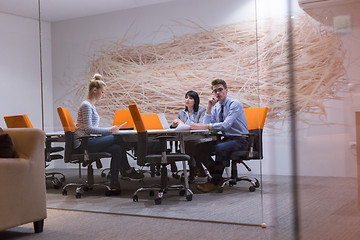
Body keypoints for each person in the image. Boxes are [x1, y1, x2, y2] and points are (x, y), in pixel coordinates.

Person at [74, 73, 143, 192]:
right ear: (95, 90)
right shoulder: (86, 106)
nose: (103, 95)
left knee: (116, 148)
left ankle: (114, 183)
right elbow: (88, 129)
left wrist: (110, 130)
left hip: (91, 140)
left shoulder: (91, 106)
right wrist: (110, 130)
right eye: (102, 92)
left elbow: (91, 129)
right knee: (117, 138)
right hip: (84, 143)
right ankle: (127, 170)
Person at [190, 79, 249, 193]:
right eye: (215, 91)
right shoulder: (216, 107)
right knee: (199, 148)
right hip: (226, 140)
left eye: (220, 90)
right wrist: (209, 107)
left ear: (226, 90)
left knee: (220, 148)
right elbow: (207, 124)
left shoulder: (234, 104)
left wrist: (203, 127)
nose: (218, 93)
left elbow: (225, 125)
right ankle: (217, 177)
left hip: (241, 140)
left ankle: (215, 182)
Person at [170, 90, 207, 182]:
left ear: (196, 101)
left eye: (191, 98)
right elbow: (176, 128)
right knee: (188, 144)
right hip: (185, 139)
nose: (187, 100)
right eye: (186, 97)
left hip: (199, 138)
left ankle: (193, 171)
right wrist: (174, 125)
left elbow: (201, 125)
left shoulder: (202, 111)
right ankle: (197, 169)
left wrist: (182, 123)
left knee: (191, 145)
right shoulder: (181, 112)